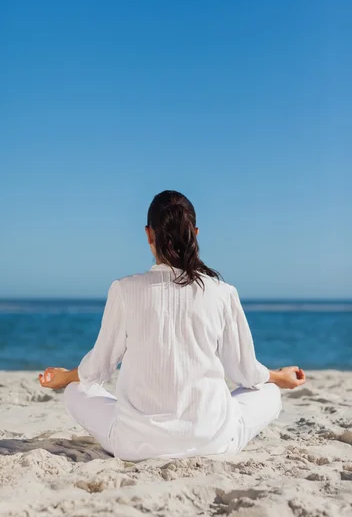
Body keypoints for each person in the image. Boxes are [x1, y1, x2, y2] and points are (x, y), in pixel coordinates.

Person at [39, 190, 306, 461]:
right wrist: (280, 377)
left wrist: (64, 377)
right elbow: (246, 373)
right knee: (269, 392)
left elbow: (97, 369)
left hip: (135, 443)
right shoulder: (222, 292)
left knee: (76, 390)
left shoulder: (124, 289)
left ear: (148, 234)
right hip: (212, 440)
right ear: (195, 233)